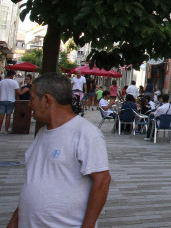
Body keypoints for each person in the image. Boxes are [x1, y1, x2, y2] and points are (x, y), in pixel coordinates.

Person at [6, 73, 110, 228]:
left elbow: (102, 181)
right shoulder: (42, 133)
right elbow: (32, 184)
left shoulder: (86, 133)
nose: (29, 104)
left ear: (47, 99)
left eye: (32, 98)